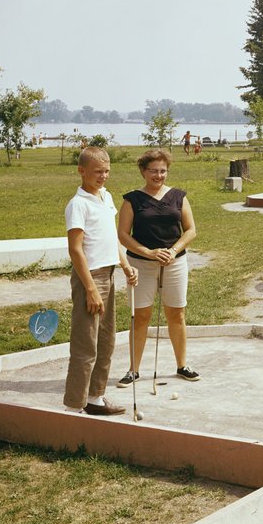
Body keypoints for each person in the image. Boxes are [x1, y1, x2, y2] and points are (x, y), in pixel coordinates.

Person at [116, 148, 199, 387]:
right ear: (143, 171)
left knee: (177, 313)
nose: (158, 175)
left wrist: (173, 251)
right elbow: (123, 235)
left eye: (163, 171)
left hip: (175, 263)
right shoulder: (132, 199)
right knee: (141, 316)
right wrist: (149, 252)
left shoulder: (179, 196)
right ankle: (134, 370)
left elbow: (191, 230)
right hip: (141, 264)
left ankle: (182, 365)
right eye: (153, 171)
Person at [64, 147, 138, 416]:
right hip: (90, 278)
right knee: (86, 344)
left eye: (107, 171)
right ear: (81, 171)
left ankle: (95, 398)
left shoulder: (105, 197)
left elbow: (111, 237)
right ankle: (74, 406)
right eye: (97, 172)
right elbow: (76, 250)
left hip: (108, 274)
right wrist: (91, 289)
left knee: (106, 341)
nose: (103, 176)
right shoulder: (78, 204)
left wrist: (126, 265)